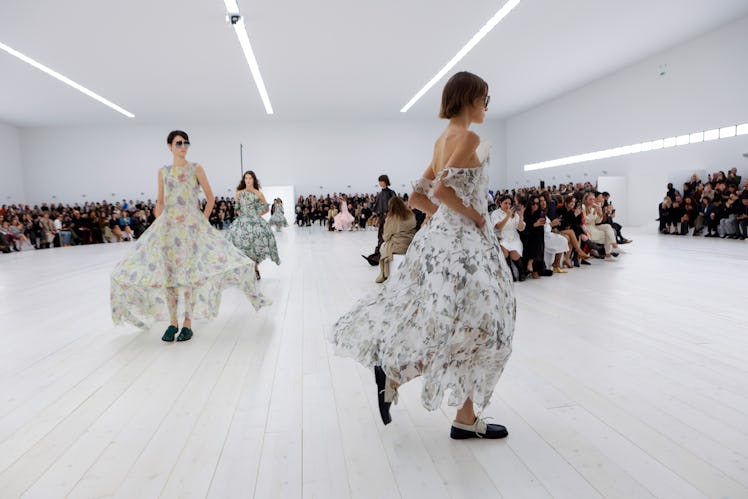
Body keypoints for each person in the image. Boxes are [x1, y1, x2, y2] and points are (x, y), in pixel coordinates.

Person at [330, 72, 515, 440]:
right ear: (468, 98)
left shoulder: (442, 140)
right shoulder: (471, 138)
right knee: (486, 325)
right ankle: (400, 374)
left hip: (439, 241)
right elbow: (443, 191)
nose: (487, 105)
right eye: (485, 98)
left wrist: (443, 217)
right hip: (466, 246)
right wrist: (478, 216)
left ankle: (462, 415)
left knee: (460, 323)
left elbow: (418, 197)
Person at [110, 130, 269, 341]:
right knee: (170, 277)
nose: (183, 146)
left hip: (189, 232)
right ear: (169, 146)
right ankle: (172, 322)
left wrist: (200, 222)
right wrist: (158, 227)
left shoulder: (196, 168)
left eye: (186, 143)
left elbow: (210, 198)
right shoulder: (163, 172)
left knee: (188, 277)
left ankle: (187, 322)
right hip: (168, 230)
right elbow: (160, 202)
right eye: (178, 143)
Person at [225, 171, 281, 279]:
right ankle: (246, 269)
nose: (248, 180)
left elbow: (266, 208)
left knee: (255, 245)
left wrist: (256, 215)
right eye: (246, 178)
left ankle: (255, 268)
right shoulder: (239, 193)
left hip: (255, 222)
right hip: (242, 221)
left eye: (250, 178)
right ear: (244, 180)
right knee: (241, 245)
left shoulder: (258, 193)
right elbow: (237, 208)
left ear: (253, 180)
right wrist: (242, 216)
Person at [376, 196, 417, 283]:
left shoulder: (391, 218)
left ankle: (383, 273)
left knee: (383, 247)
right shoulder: (411, 215)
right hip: (411, 243)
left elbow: (386, 237)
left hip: (398, 246)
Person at [363, 175, 397, 265]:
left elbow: (395, 205)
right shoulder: (381, 193)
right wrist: (376, 216)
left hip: (389, 218)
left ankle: (380, 256)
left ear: (385, 181)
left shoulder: (391, 193)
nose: (380, 183)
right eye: (379, 181)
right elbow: (378, 207)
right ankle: (377, 256)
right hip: (382, 218)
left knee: (385, 237)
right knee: (380, 236)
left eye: (381, 181)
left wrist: (389, 213)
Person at [490, 195, 526, 281]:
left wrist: (521, 216)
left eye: (509, 203)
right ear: (500, 203)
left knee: (514, 255)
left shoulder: (514, 213)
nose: (508, 205)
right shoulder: (495, 213)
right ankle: (510, 274)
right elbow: (498, 227)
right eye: (505, 203)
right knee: (504, 253)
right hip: (502, 238)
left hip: (514, 238)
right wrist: (507, 216)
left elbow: (520, 228)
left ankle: (521, 272)